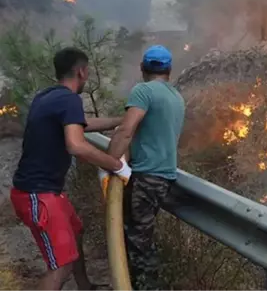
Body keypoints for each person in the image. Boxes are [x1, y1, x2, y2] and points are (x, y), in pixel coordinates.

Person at [11, 47, 132, 291]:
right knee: (61, 266)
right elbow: (76, 145)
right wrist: (117, 165)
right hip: (38, 194)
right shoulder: (69, 99)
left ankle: (85, 286)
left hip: (45, 190)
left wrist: (121, 121)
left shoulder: (47, 96)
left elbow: (82, 124)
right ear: (81, 71)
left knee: (76, 230)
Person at [108, 45, 185, 291]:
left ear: (143, 68)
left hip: (146, 176)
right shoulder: (176, 96)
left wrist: (109, 163)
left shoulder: (143, 91)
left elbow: (126, 130)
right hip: (164, 176)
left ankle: (144, 286)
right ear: (169, 70)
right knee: (142, 238)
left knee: (137, 242)